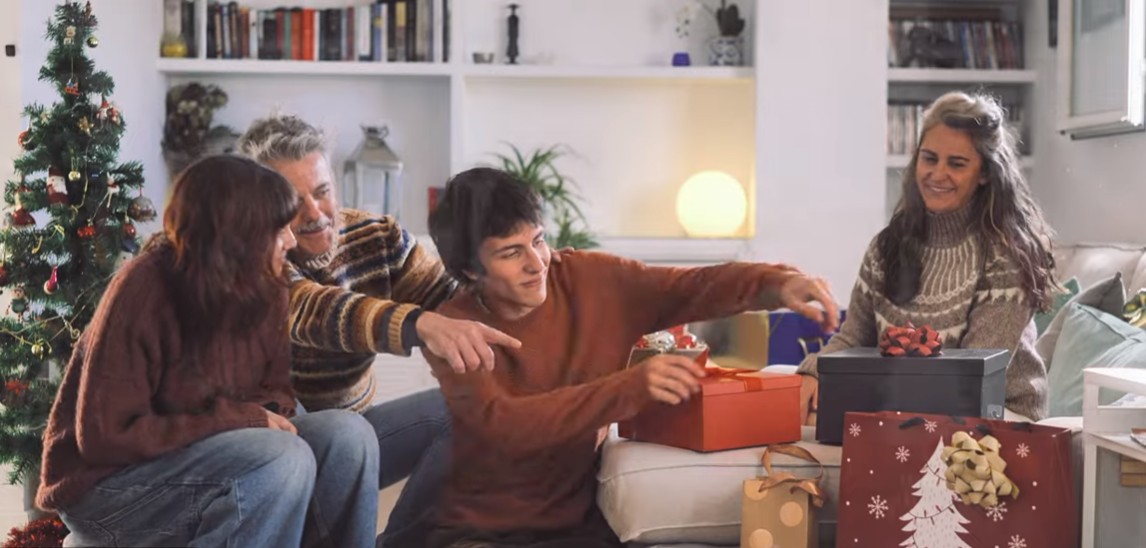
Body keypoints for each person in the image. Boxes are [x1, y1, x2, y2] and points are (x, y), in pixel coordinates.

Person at [422, 167, 840, 547]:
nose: (537, 263)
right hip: (483, 532)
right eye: (511, 253)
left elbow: (687, 286)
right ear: (471, 270)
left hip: (580, 526)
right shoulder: (453, 330)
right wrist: (628, 388)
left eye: (538, 240)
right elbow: (505, 426)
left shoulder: (589, 278)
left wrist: (776, 283)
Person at [237, 113, 550, 547]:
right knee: (342, 434)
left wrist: (524, 287)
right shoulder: (252, 253)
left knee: (464, 411)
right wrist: (420, 324)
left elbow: (454, 301)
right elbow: (309, 308)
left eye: (322, 192)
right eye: (292, 202)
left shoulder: (378, 236)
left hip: (359, 433)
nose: (314, 213)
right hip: (280, 441)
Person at [36, 155, 379, 547]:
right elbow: (105, 437)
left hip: (195, 453)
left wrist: (265, 415)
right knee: (282, 457)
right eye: (278, 228)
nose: (291, 240)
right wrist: (240, 419)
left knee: (348, 436)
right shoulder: (144, 286)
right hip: (105, 487)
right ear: (238, 233)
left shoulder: (260, 286)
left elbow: (273, 396)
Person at [796, 91, 1057, 423]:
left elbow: (970, 376)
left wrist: (872, 404)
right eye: (929, 158)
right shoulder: (886, 246)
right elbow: (853, 338)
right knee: (802, 402)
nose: (938, 173)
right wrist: (813, 373)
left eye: (957, 164)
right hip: (906, 403)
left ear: (985, 173)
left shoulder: (1006, 256)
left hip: (996, 414)